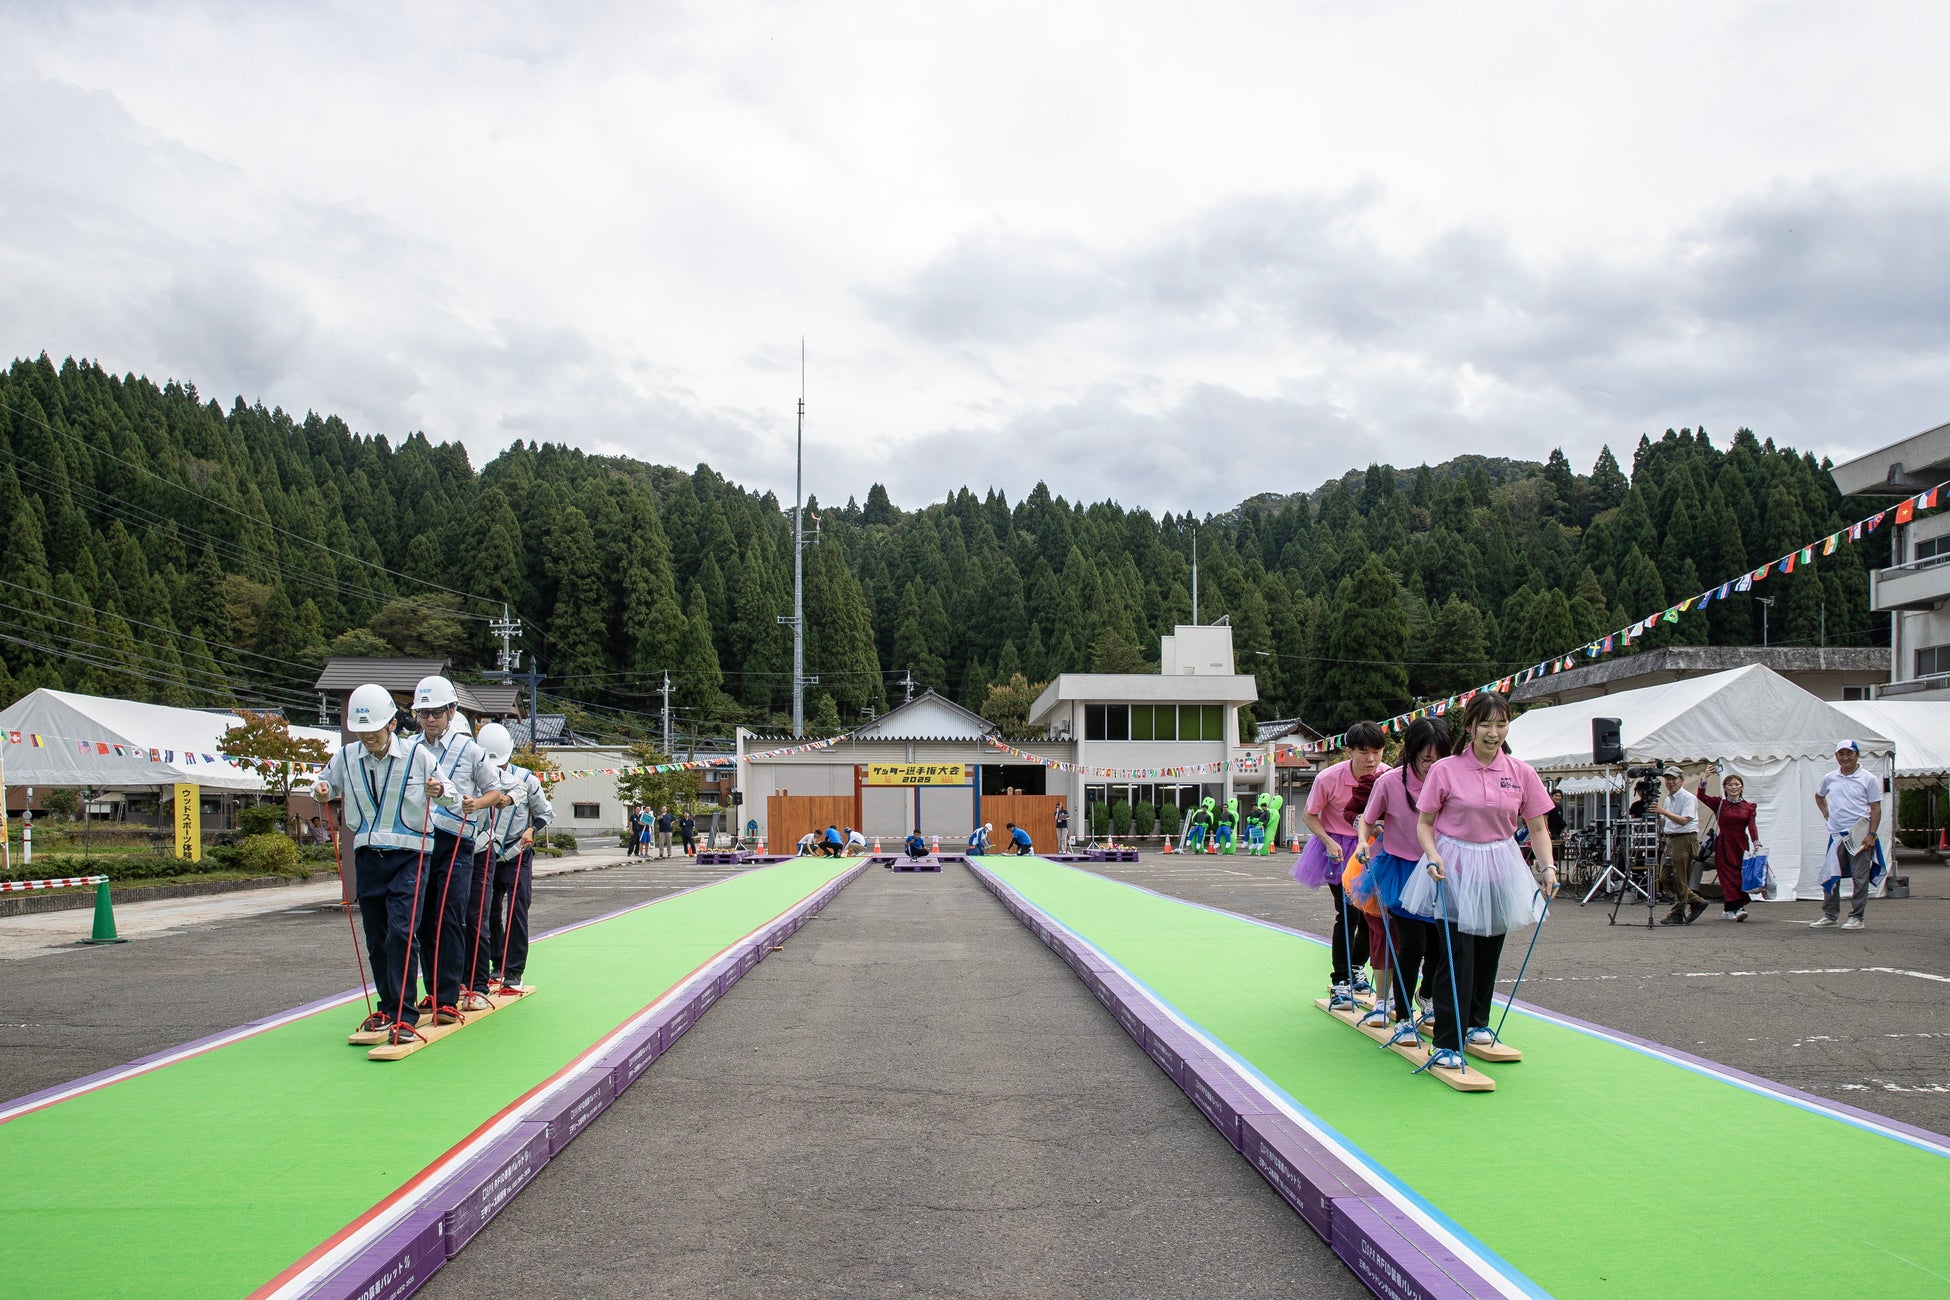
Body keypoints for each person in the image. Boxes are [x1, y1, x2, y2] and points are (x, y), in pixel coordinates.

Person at [1400, 692, 1557, 1072]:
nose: (1493, 732)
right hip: (1453, 864)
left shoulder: (1521, 772)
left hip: (1500, 864)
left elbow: (1538, 826)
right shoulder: (1447, 769)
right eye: (1485, 724)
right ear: (1469, 726)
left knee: (1489, 951)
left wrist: (1548, 867)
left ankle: (1477, 1024)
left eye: (1501, 723)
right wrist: (1433, 855)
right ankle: (1447, 1041)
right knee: (1456, 955)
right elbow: (1425, 823)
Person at [312, 683, 457, 1048]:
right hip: (367, 855)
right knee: (376, 937)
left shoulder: (418, 755)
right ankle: (387, 1008)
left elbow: (452, 794)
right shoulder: (346, 756)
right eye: (361, 732)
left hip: (411, 855)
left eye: (374, 731)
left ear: (392, 724)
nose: (368, 739)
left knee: (402, 933)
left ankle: (405, 1017)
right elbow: (321, 784)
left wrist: (440, 792)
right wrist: (321, 791)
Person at [409, 677, 512, 1025]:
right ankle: (433, 989)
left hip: (458, 841)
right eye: (423, 712)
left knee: (450, 916)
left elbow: (495, 791)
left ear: (452, 711)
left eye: (437, 712)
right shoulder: (411, 748)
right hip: (421, 840)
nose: (430, 719)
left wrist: (475, 804)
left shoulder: (469, 749)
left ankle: (450, 995)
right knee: (422, 917)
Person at [1351, 717, 1449, 1044]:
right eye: (1425, 758)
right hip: (1402, 872)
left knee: (1438, 945)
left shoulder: (1450, 779)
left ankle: (1427, 996)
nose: (1431, 765)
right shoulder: (1391, 782)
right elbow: (1367, 820)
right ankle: (1404, 1016)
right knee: (1412, 945)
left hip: (1438, 869)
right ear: (1410, 753)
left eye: (1437, 758)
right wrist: (1364, 842)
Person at [1295, 722, 1389, 1004]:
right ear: (1349, 751)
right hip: (1339, 846)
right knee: (1348, 914)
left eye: (1377, 752)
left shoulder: (1389, 776)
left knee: (1372, 915)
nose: (1370, 759)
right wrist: (1328, 841)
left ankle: (1356, 967)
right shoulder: (1329, 778)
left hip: (1374, 848)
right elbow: (1310, 815)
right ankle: (1341, 980)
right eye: (1363, 752)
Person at [484, 733, 553, 994]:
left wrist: (532, 830)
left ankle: (514, 969)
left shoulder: (527, 779)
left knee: (516, 910)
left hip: (517, 852)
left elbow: (545, 812)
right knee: (487, 911)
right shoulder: (478, 779)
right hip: (487, 851)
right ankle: (496, 962)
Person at [1813, 739, 1882, 930]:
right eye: (1841, 754)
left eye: (1849, 754)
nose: (1845, 758)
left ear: (1857, 755)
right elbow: (1819, 795)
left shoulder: (1868, 779)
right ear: (1836, 756)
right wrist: (1827, 813)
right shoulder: (1830, 777)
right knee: (1831, 874)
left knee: (1860, 877)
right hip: (1836, 834)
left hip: (1858, 833)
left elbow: (1876, 808)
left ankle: (1857, 917)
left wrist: (1872, 834)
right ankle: (1830, 914)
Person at [1653, 767, 1707, 925]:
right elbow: (1670, 820)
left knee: (1679, 878)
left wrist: (1664, 812)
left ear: (1681, 780)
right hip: (1671, 839)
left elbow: (1684, 820)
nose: (1670, 782)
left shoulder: (1688, 798)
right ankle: (1696, 901)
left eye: (1673, 779)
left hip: (1684, 839)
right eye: (1667, 779)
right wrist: (1659, 818)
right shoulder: (1670, 798)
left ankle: (1678, 912)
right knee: (1665, 877)